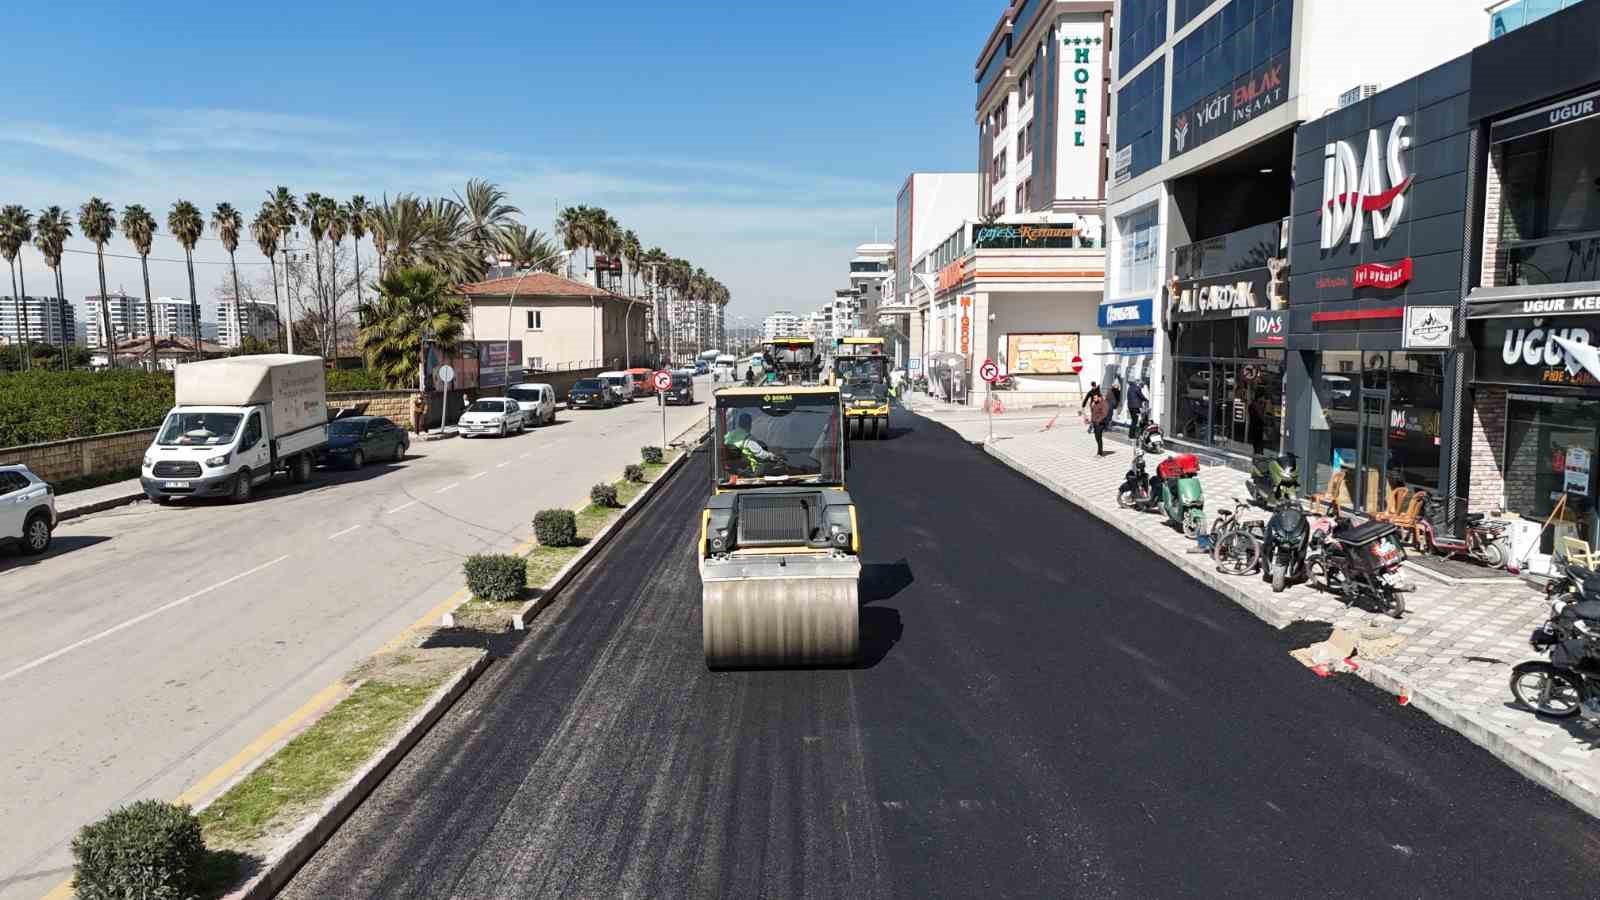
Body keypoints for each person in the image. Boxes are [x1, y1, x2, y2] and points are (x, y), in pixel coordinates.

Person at [1090, 390, 1110, 456]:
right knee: (1096, 437)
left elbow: (1104, 414)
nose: (1094, 399)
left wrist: (1098, 421)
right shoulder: (1095, 403)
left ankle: (1100, 452)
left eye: (1095, 398)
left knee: (1099, 437)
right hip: (1095, 423)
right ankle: (1099, 451)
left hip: (1100, 423)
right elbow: (1093, 413)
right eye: (1093, 398)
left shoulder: (1104, 403)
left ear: (1099, 397)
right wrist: (1092, 406)